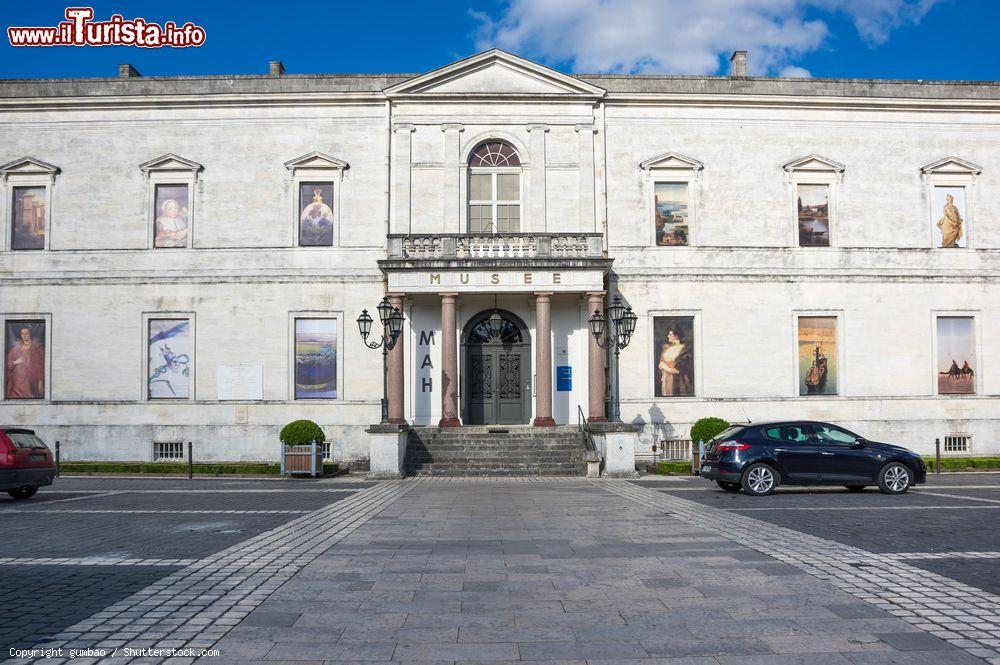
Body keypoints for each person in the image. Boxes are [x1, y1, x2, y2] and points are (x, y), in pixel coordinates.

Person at [6, 326, 45, 399]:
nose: (24, 336)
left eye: (26, 333)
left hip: (31, 379)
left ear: (30, 334)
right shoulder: (17, 347)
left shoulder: (37, 347)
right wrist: (15, 362)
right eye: (22, 334)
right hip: (17, 381)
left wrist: (40, 381)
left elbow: (41, 366)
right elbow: (6, 362)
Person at [657, 328, 693, 396]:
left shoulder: (684, 349)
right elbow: (661, 363)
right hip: (665, 378)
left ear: (676, 336)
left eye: (670, 334)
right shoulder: (667, 348)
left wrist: (665, 367)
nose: (668, 336)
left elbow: (681, 370)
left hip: (678, 380)